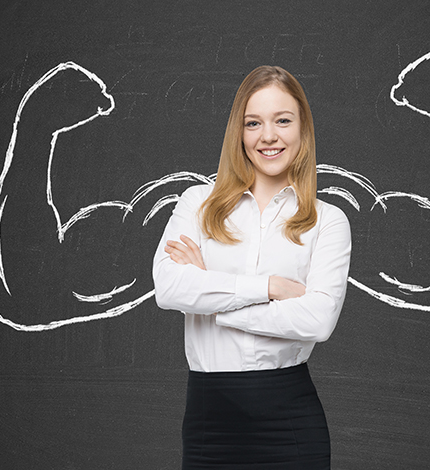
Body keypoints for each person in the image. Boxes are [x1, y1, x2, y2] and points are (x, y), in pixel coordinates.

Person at [152, 65, 351, 469]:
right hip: (210, 421)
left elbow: (317, 321)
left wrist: (211, 299)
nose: (269, 136)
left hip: (290, 421)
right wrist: (270, 287)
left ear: (302, 129)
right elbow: (169, 288)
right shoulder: (196, 203)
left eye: (282, 120)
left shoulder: (328, 220)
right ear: (239, 133)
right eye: (253, 123)